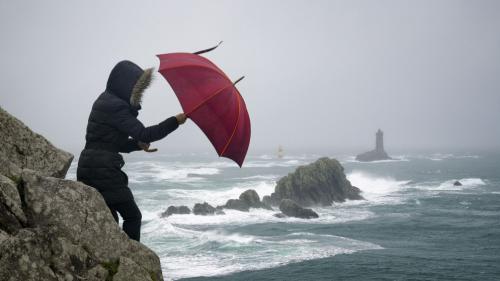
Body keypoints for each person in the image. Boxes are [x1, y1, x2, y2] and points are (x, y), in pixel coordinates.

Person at [77, 60, 186, 241]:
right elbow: (145, 133)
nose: (139, 93)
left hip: (91, 167)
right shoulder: (115, 106)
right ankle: (131, 257)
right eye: (137, 87)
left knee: (111, 221)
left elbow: (108, 143)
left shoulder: (105, 100)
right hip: (103, 171)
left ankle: (116, 259)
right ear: (126, 84)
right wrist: (175, 121)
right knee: (133, 216)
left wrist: (137, 145)